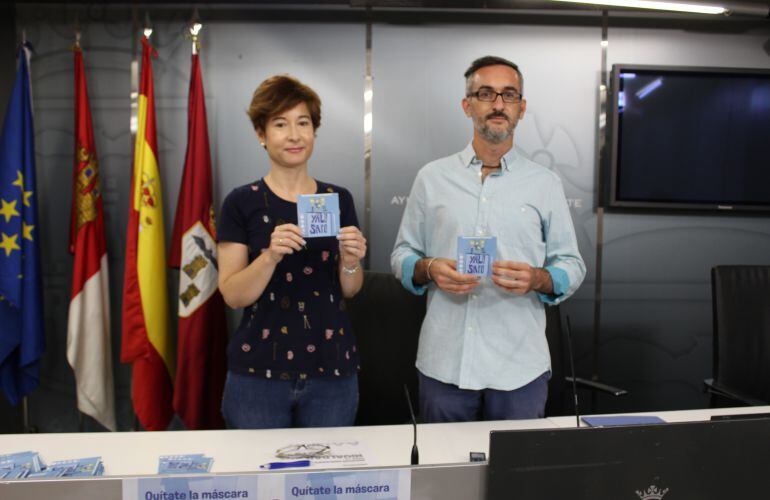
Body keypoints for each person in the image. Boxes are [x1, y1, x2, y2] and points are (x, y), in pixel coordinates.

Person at [391, 56, 586, 422]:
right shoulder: (432, 178)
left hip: (519, 368)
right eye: (486, 94)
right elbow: (403, 254)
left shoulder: (545, 184)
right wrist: (429, 268)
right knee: (443, 460)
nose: (498, 104)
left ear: (521, 108)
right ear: (467, 106)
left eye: (508, 95)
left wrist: (538, 278)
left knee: (517, 463)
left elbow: (572, 265)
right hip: (444, 365)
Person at [217, 75, 367, 429]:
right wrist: (269, 256)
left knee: (328, 466)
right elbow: (233, 295)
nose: (295, 135)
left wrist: (350, 262)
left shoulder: (338, 198)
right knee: (256, 466)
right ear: (261, 134)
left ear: (314, 130)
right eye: (280, 124)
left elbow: (350, 289)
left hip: (331, 369)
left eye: (303, 123)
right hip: (258, 374)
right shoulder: (241, 202)